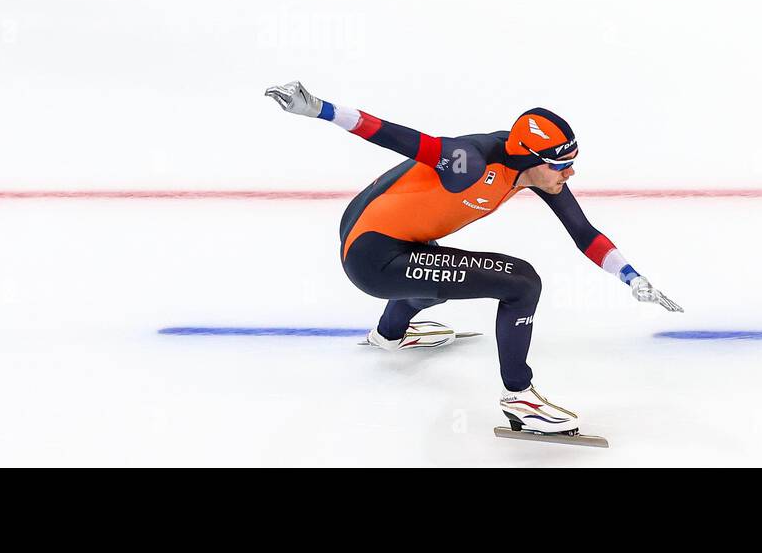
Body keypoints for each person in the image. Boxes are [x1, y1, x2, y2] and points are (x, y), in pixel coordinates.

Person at [264, 80, 682, 434]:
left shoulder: (537, 174)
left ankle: (390, 335)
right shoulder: (469, 161)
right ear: (530, 159)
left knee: (438, 283)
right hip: (373, 254)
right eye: (561, 165)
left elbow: (583, 231)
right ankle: (520, 399)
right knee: (522, 283)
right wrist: (320, 109)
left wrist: (630, 277)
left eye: (571, 163)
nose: (569, 173)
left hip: (392, 239)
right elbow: (396, 136)